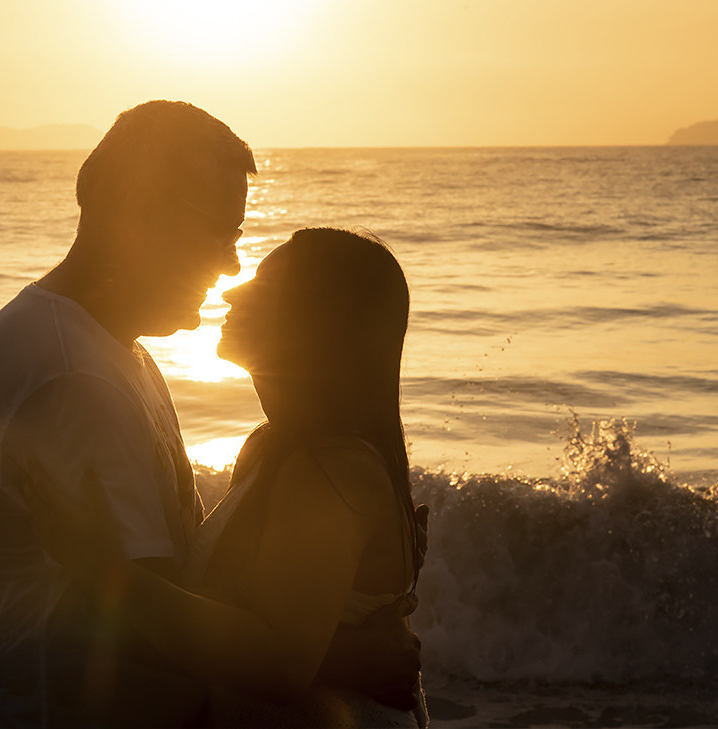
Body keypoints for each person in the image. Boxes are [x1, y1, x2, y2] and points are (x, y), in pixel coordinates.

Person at [0, 100, 254, 727]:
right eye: (221, 232)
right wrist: (344, 660)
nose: (232, 262)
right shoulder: (75, 380)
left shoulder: (99, 347)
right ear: (141, 215)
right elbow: (156, 648)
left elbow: (172, 581)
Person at [23, 227, 431, 727]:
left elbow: (280, 667)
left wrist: (101, 567)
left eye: (262, 286)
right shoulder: (270, 446)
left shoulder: (331, 475)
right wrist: (346, 653)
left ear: (312, 323)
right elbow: (245, 618)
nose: (233, 290)